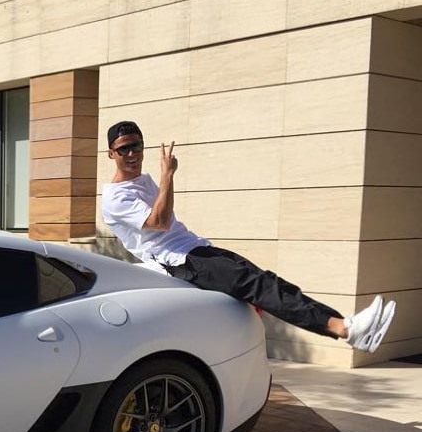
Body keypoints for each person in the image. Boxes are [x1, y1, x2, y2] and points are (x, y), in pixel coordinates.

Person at [101, 120, 396, 353]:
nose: (132, 154)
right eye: (124, 149)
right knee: (261, 286)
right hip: (181, 260)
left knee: (266, 283)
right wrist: (168, 177)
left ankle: (348, 330)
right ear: (111, 154)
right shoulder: (116, 197)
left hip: (197, 249)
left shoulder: (143, 180)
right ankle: (347, 328)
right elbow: (161, 222)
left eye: (136, 146)